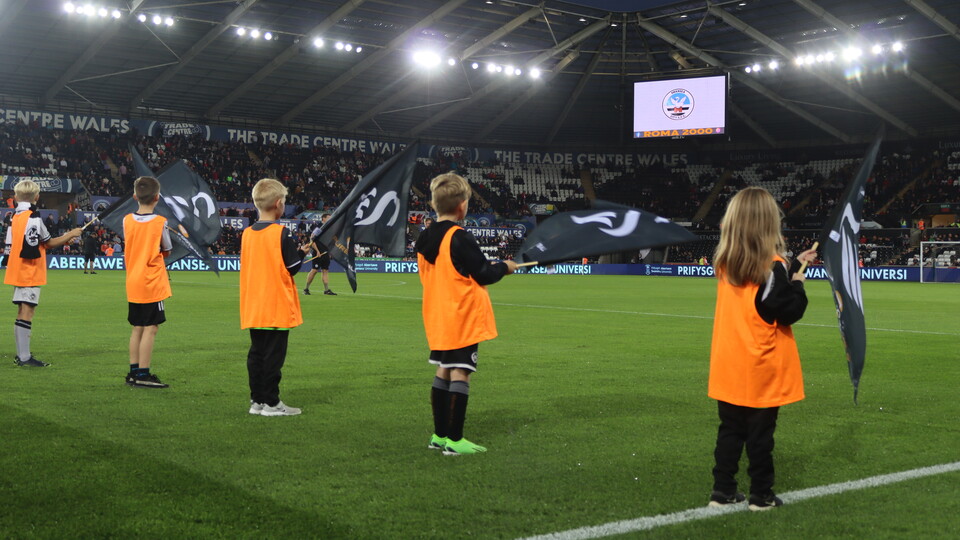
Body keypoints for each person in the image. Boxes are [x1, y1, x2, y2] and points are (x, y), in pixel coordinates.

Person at [707, 186, 816, 511]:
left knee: (729, 432)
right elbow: (786, 309)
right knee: (759, 437)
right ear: (769, 223)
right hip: (761, 366)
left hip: (730, 365)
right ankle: (761, 495)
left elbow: (762, 294)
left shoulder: (727, 263)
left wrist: (794, 264)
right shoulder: (772, 266)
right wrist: (798, 282)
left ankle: (722, 492)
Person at [416, 173, 517, 456]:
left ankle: (439, 436)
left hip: (437, 314)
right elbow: (483, 273)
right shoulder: (459, 237)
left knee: (444, 368)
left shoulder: (424, 237)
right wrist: (504, 267)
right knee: (461, 372)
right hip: (461, 315)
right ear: (462, 206)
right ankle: (455, 440)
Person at [240, 178, 310, 416]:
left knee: (256, 354)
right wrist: (301, 253)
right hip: (276, 305)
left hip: (254, 305)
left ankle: (257, 400)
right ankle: (272, 403)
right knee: (273, 357)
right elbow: (291, 268)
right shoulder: (281, 234)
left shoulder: (247, 234)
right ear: (279, 204)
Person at [4, 180, 82, 367]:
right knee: (27, 311)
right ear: (37, 197)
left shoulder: (15, 216)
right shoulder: (34, 218)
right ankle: (24, 358)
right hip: (29, 269)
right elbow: (48, 242)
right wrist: (71, 234)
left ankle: (21, 354)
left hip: (17, 268)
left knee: (22, 310)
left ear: (16, 197)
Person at [123, 176, 173, 388]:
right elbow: (167, 249)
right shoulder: (160, 222)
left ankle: (134, 372)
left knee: (137, 327)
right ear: (157, 197)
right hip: (152, 281)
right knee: (151, 327)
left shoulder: (126, 220)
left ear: (135, 196)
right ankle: (143, 374)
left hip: (133, 279)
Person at [303, 213, 335, 296]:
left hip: (325, 253)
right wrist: (317, 251)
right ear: (323, 219)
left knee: (325, 270)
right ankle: (306, 289)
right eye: (328, 218)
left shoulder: (329, 229)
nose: (330, 219)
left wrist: (330, 252)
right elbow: (312, 240)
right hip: (318, 253)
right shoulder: (319, 228)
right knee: (314, 270)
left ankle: (326, 290)